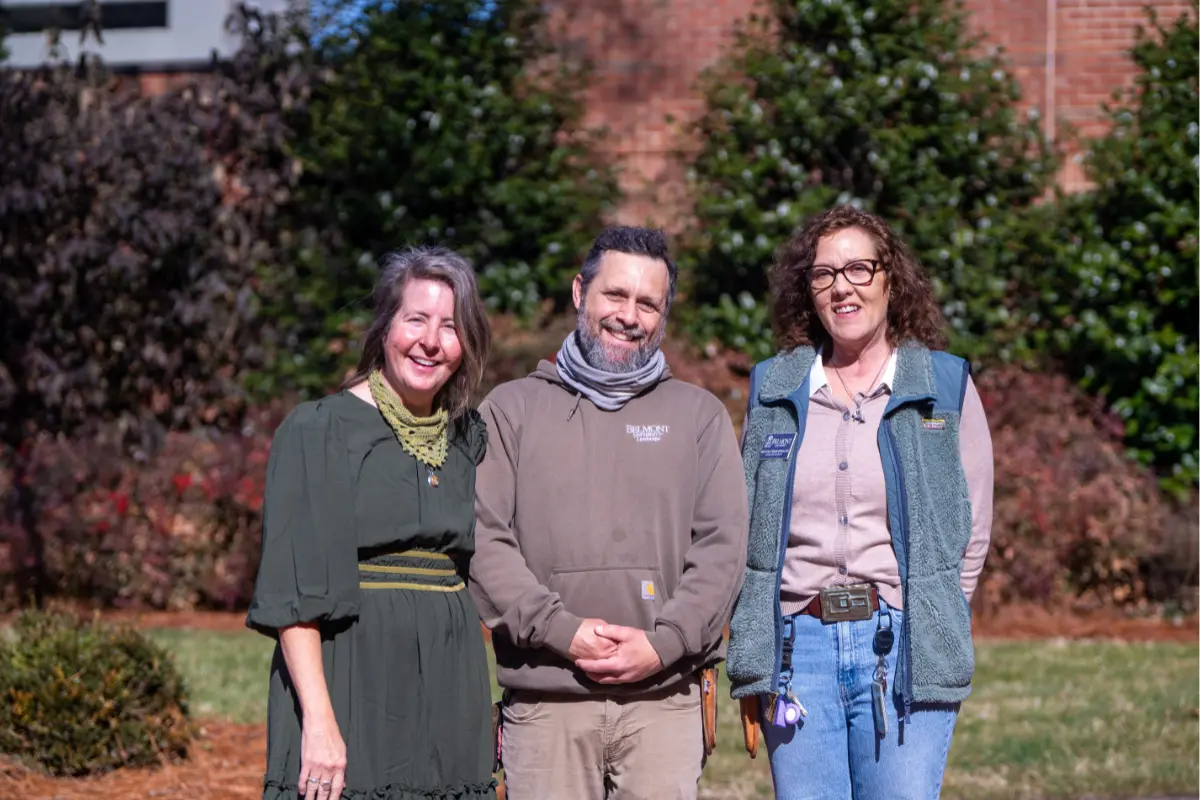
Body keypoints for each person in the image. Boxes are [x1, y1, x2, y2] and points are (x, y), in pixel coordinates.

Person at [469, 226, 749, 800]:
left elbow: (723, 549)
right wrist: (562, 632)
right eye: (615, 295)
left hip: (665, 704)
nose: (629, 316)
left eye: (648, 303)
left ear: (664, 315)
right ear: (580, 292)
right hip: (545, 703)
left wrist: (664, 643)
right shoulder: (510, 410)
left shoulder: (699, 417)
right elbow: (483, 540)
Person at [726, 206, 994, 800]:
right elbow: (745, 524)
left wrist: (936, 613)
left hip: (903, 648)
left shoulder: (943, 386)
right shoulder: (775, 389)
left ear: (890, 279)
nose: (841, 287)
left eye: (859, 269)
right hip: (797, 652)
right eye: (824, 274)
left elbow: (972, 527)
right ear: (809, 291)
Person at [246, 246, 495, 800]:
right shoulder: (319, 431)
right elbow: (295, 595)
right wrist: (319, 722)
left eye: (450, 326)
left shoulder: (468, 439)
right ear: (385, 327)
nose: (431, 341)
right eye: (416, 320)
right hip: (350, 684)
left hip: (451, 691)